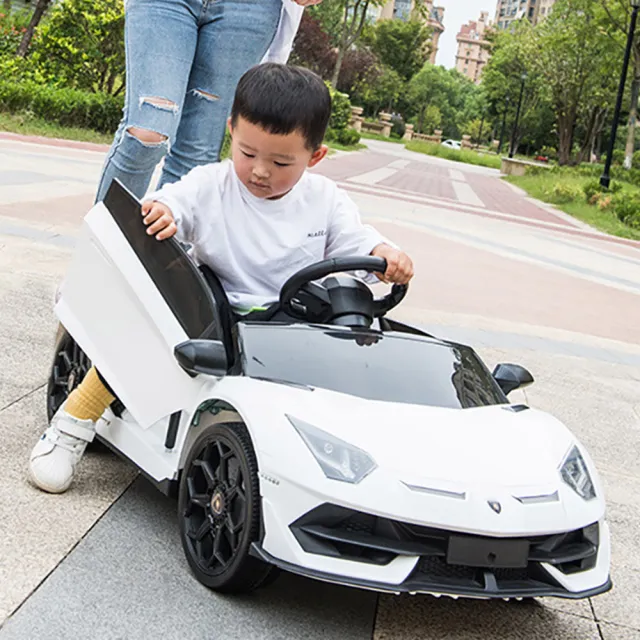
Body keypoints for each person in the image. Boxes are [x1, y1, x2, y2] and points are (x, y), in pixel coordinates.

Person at [29, 63, 414, 494]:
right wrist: (165, 211)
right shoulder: (212, 184)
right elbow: (176, 200)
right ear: (231, 130)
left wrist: (384, 253)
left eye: (281, 161)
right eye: (247, 153)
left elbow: (354, 243)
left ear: (316, 156)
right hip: (212, 312)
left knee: (358, 347)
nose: (260, 171)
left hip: (290, 326)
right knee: (144, 338)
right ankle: (74, 421)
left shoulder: (325, 200)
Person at [93, 0, 322, 204]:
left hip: (249, 9)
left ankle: (157, 248)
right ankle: (103, 243)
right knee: (146, 135)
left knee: (197, 153)